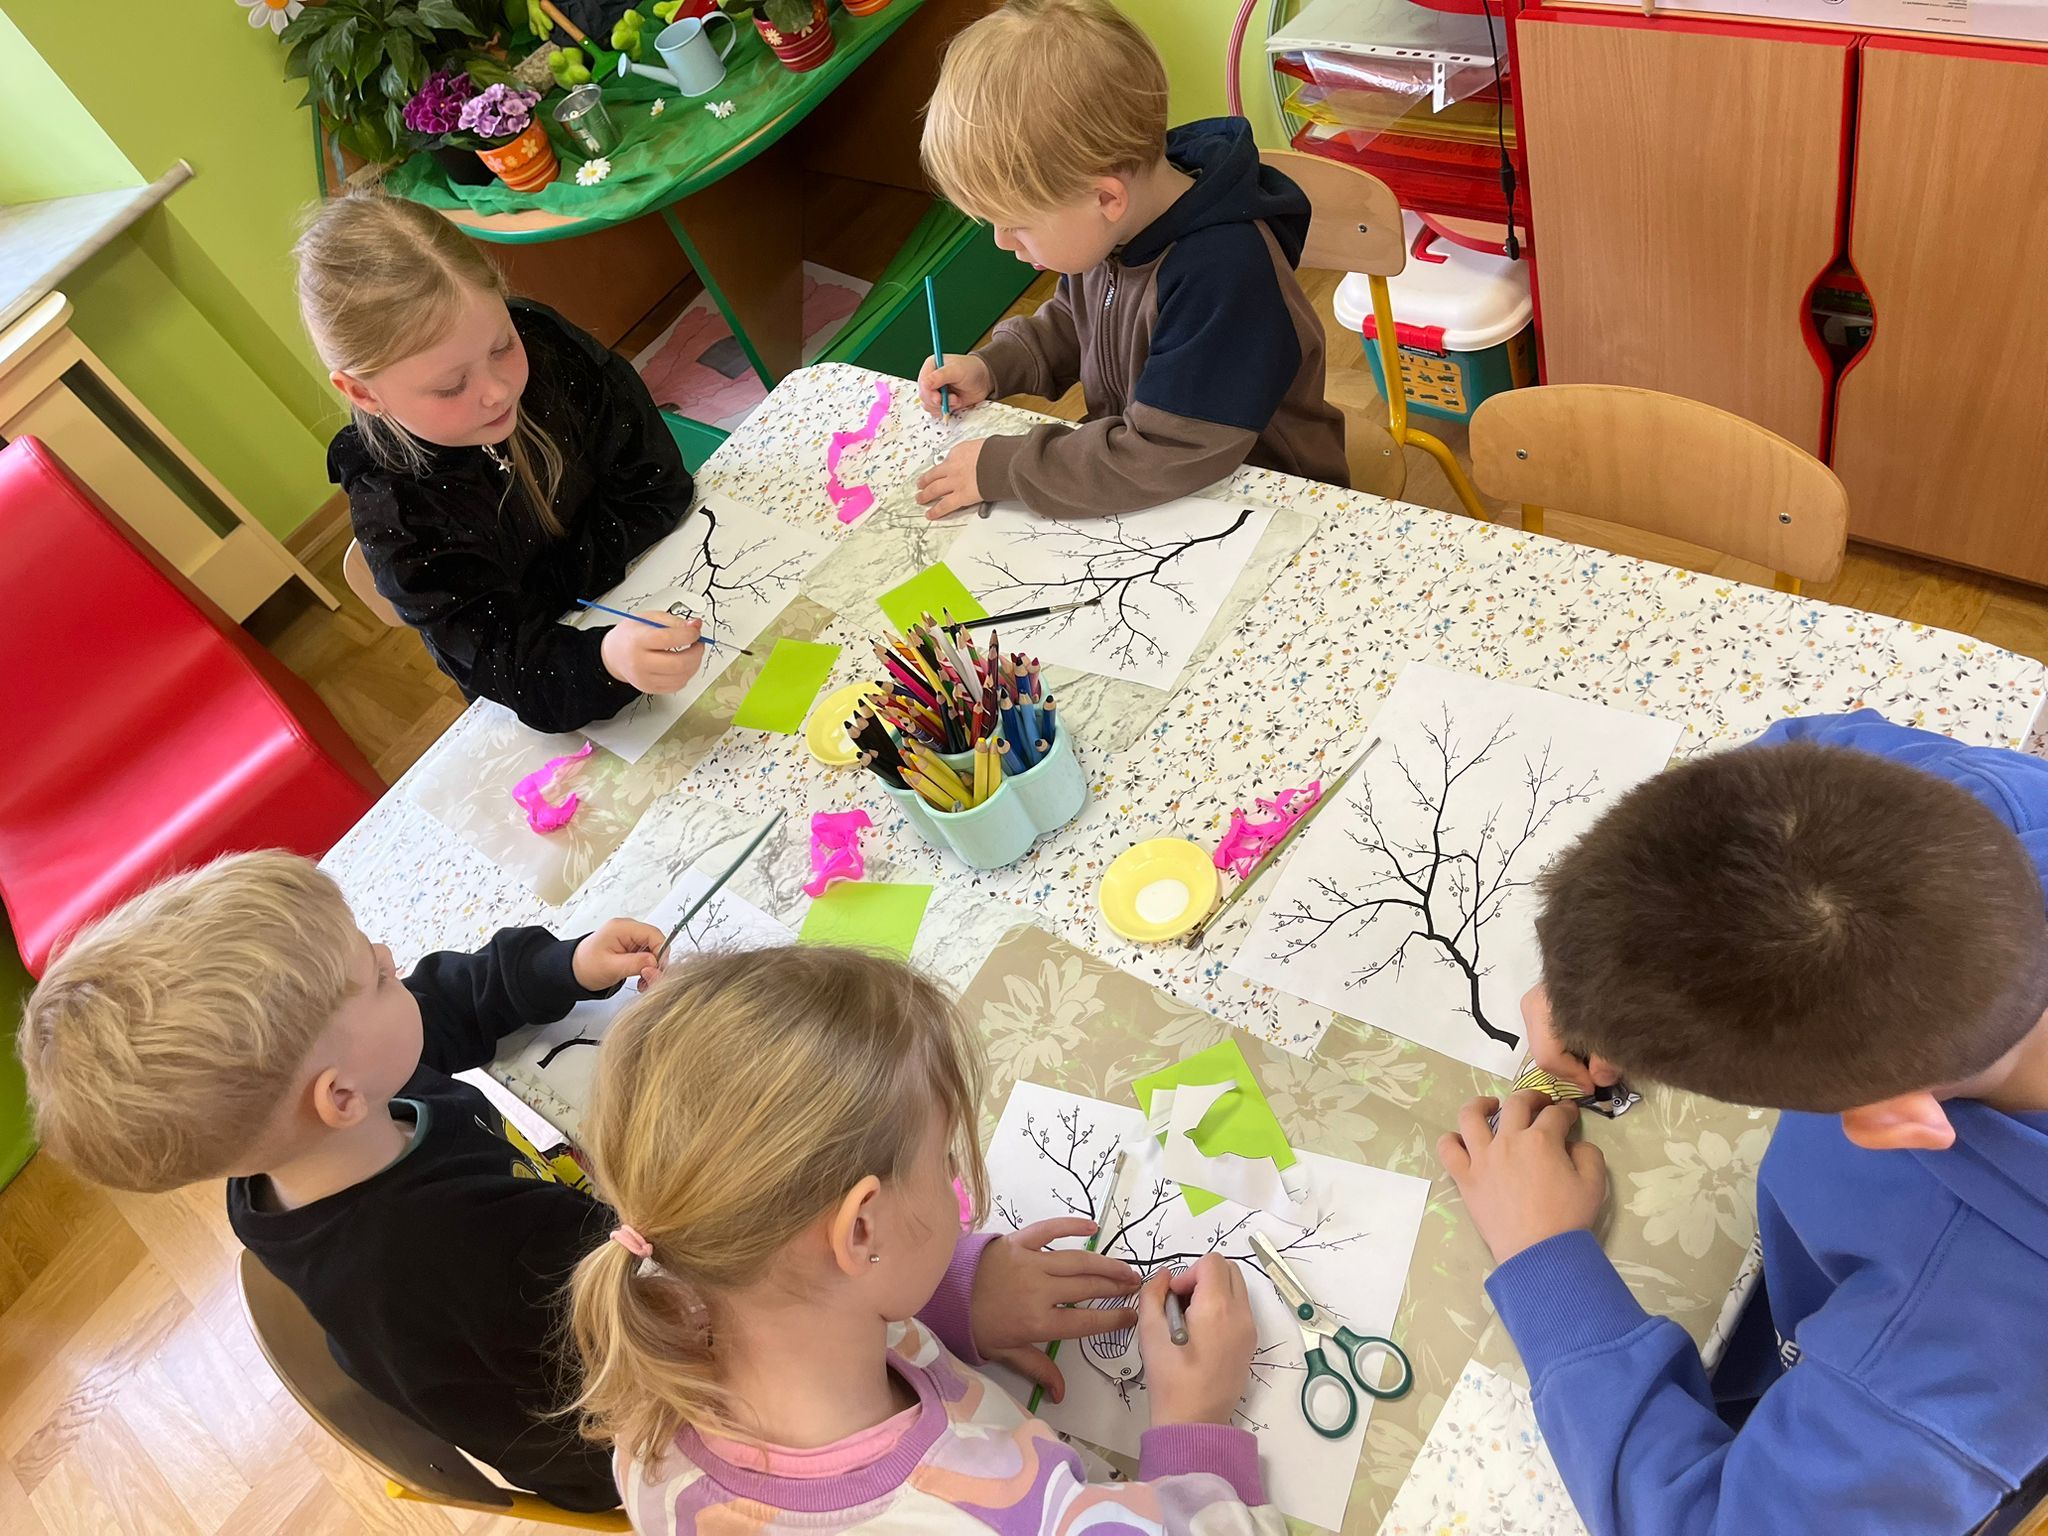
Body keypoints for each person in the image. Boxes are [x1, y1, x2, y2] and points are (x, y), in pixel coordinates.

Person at [1436, 711, 2048, 1536]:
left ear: (1891, 1123)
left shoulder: (1949, 1346)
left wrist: (1544, 1262)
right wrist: (1598, 969)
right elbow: (1798, 754)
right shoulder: (1992, 813)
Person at [17, 851, 669, 1511]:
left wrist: (564, 966)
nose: (390, 957)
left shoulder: (312, 1135)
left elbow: (436, 1009)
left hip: (576, 1308)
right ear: (339, 1096)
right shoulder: (461, 1243)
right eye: (379, 977)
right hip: (632, 1438)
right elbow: (664, 1295)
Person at [565, 945, 1285, 1536]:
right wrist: (1195, 1427)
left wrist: (949, 1299)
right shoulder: (999, 1516)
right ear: (861, 1230)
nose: (957, 1180)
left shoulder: (660, 1343)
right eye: (943, 1160)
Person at [913, 0, 1347, 522]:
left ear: (1105, 198)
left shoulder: (1224, 275)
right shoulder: (1116, 227)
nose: (1003, 242)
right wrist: (993, 367)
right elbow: (1077, 322)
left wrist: (1008, 468)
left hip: (1265, 498)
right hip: (1155, 478)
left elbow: (1165, 452)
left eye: (1016, 223)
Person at [297, 190, 704, 734]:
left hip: (659, 586)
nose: (497, 391)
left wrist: (547, 598)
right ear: (364, 393)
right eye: (450, 386)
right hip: (577, 684)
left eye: (501, 347)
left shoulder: (545, 344)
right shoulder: (400, 513)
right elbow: (515, 670)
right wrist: (607, 659)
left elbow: (657, 486)